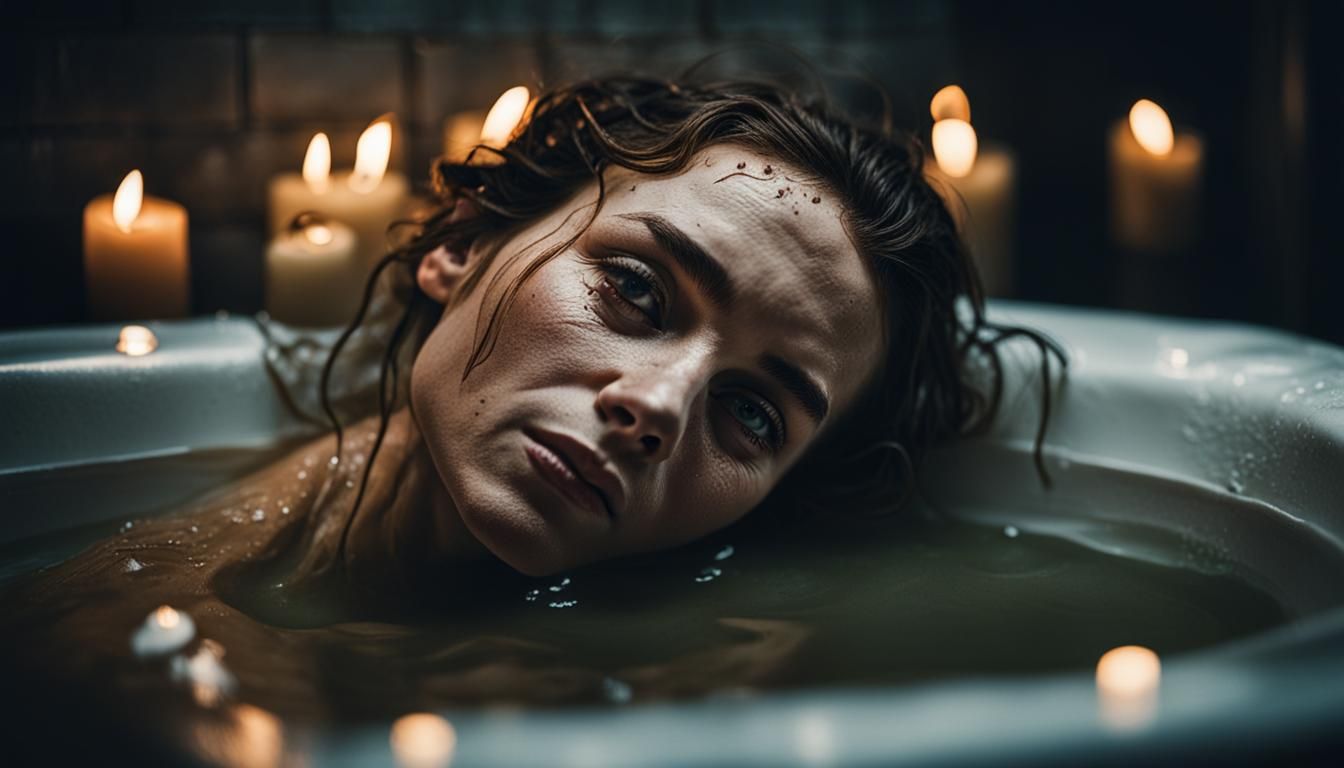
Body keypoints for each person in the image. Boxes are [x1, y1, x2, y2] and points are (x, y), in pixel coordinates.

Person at [2, 72, 1065, 729]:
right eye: (637, 289)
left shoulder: (739, 665)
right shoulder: (131, 601)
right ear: (462, 247)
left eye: (752, 415)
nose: (655, 407)